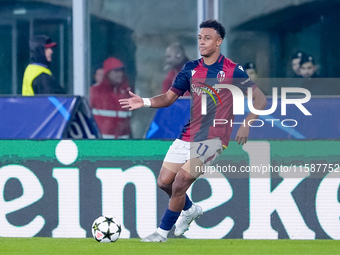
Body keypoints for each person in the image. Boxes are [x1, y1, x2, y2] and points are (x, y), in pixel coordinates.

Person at [119, 20, 267, 242]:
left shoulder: (232, 70)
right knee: (164, 182)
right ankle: (189, 210)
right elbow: (169, 98)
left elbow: (260, 99)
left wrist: (246, 124)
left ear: (219, 42)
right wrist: (146, 102)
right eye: (199, 38)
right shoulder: (190, 69)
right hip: (188, 134)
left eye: (207, 38)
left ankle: (161, 233)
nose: (202, 42)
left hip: (214, 138)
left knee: (181, 181)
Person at [90, 57, 132, 139]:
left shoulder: (125, 93)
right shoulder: (95, 91)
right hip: (102, 143)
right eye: (116, 71)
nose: (120, 74)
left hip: (122, 143)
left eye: (121, 71)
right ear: (108, 73)